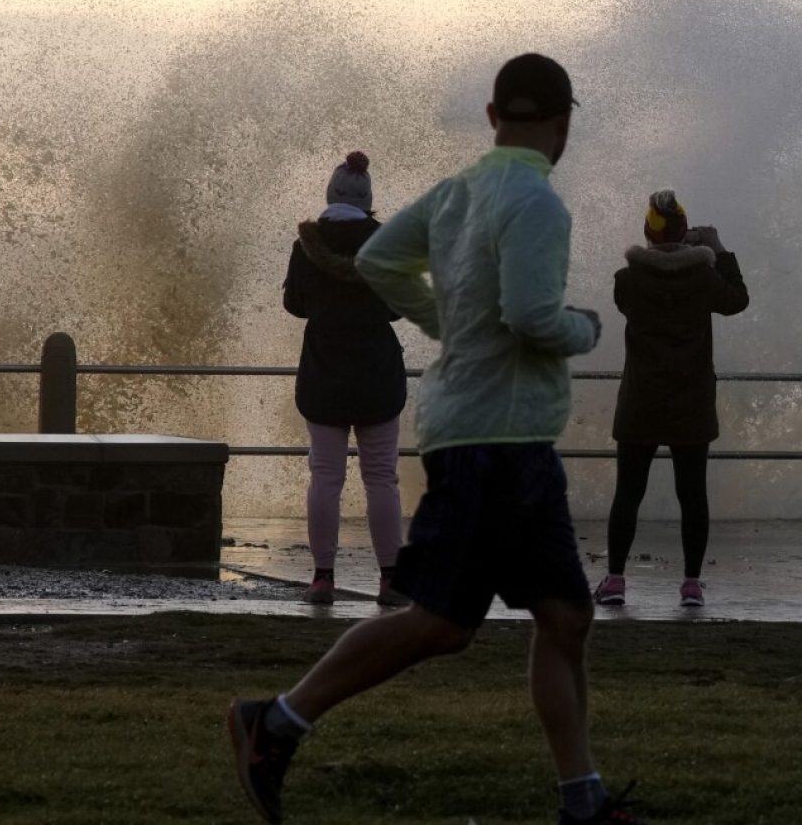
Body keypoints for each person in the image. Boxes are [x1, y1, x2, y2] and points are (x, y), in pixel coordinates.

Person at [230, 54, 645, 825]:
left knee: (566, 617)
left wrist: (444, 324)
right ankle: (276, 722)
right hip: (498, 441)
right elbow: (529, 317)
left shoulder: (458, 193)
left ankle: (582, 798)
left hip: (495, 436)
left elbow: (383, 261)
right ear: (563, 123)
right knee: (440, 625)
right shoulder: (539, 205)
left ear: (493, 119)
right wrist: (583, 329)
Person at [594, 191, 749, 608]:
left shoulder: (627, 281)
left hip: (641, 401)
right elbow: (738, 300)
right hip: (692, 402)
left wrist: (679, 250)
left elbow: (642, 285)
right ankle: (691, 585)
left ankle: (615, 580)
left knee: (628, 491)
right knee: (692, 494)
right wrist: (715, 249)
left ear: (647, 233)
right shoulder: (703, 278)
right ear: (686, 233)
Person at [282, 151, 408, 606]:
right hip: (377, 376)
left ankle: (322, 578)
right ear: (368, 199)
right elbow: (397, 307)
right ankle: (391, 579)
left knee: (325, 477)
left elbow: (295, 305)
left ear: (330, 195)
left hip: (324, 374)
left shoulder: (307, 247)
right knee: (381, 479)